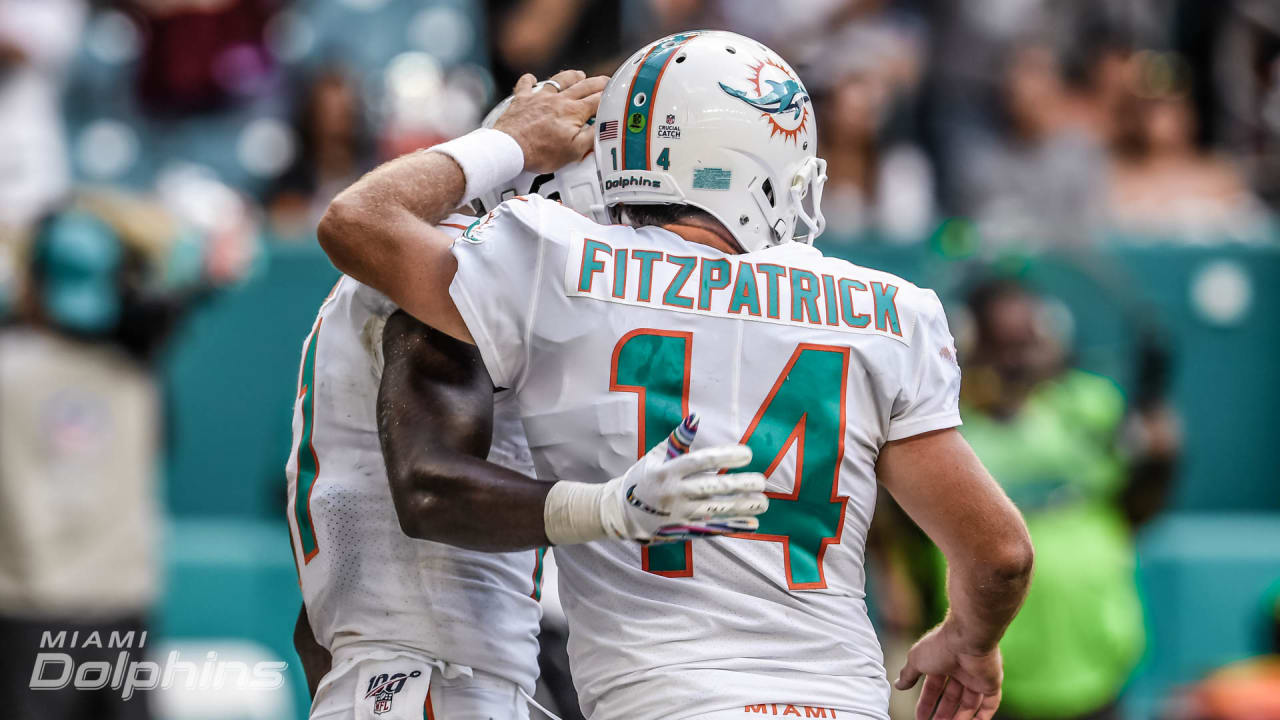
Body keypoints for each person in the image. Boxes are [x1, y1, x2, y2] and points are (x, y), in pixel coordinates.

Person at [318, 31, 1034, 720]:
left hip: (665, 698)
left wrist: (507, 143)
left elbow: (358, 221)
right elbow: (1001, 554)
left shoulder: (553, 261)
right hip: (843, 699)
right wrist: (970, 640)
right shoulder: (892, 311)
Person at [286, 74, 765, 719]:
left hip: (413, 680)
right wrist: (608, 509)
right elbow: (430, 490)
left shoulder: (432, 277)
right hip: (437, 683)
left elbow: (311, 629)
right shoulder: (459, 270)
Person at [951, 278, 1179, 720]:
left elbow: (1139, 507)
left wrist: (1162, 458)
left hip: (1098, 661)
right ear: (971, 346)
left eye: (1027, 343)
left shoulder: (1091, 406)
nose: (1015, 363)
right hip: (989, 675)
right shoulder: (947, 424)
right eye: (1002, 347)